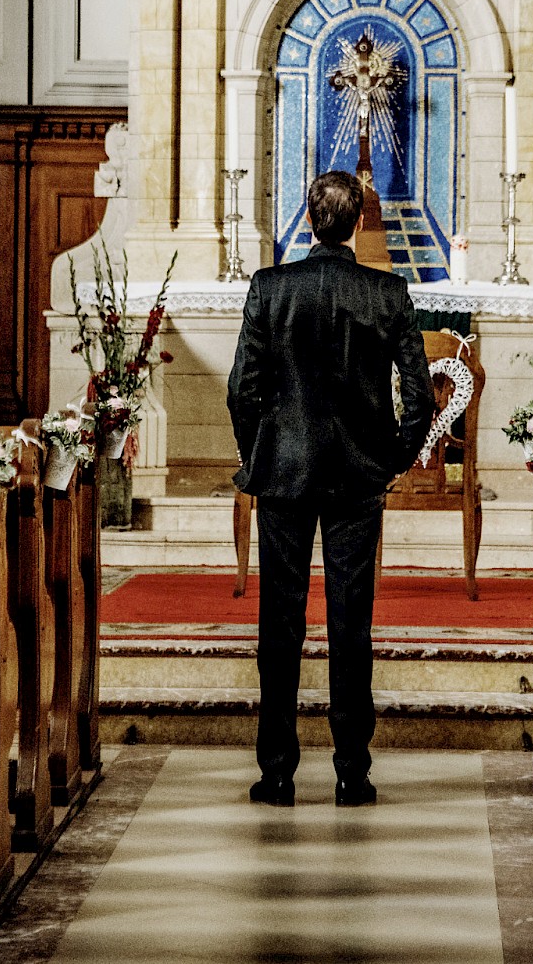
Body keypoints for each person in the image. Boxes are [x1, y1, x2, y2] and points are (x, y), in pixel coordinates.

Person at [227, 169, 433, 808]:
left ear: (308, 218)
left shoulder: (270, 287)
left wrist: (258, 452)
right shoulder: (389, 292)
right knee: (352, 624)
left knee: (279, 623)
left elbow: (242, 390)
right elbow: (420, 398)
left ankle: (278, 772)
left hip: (284, 473)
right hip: (356, 475)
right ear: (362, 221)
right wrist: (393, 459)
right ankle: (352, 773)